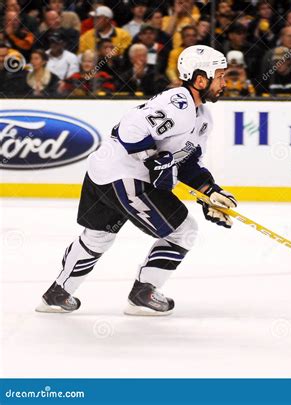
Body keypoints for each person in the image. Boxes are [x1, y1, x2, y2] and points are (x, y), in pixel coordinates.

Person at [36, 45, 236, 316]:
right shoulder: (179, 102)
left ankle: (56, 294)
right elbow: (129, 128)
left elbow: (188, 162)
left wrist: (209, 191)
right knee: (183, 231)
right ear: (201, 79)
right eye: (221, 76)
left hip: (103, 170)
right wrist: (154, 161)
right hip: (124, 176)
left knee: (98, 236)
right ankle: (143, 294)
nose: (225, 82)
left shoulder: (202, 118)